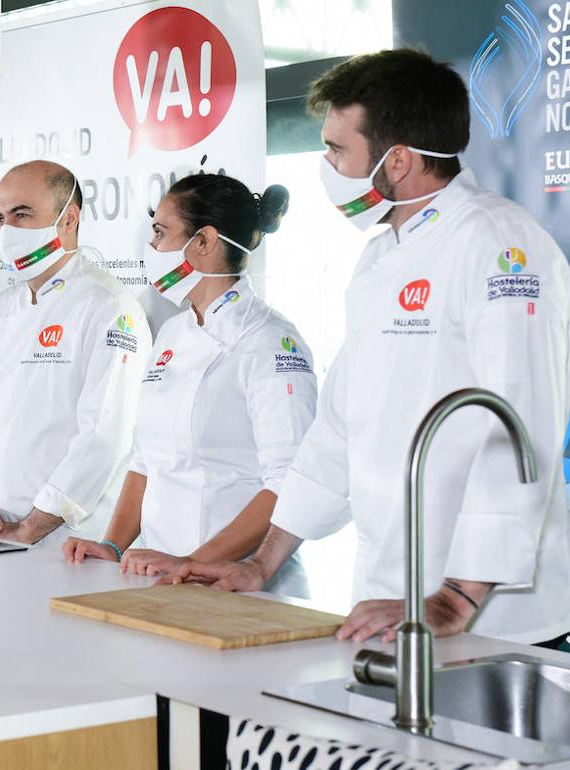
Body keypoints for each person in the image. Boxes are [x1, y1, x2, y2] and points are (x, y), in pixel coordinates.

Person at [171, 50, 570, 649]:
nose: (327, 165)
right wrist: (262, 561)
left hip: (496, 619)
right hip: (393, 600)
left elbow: (520, 427)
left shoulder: (499, 243)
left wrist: (456, 597)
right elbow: (338, 429)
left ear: (399, 160)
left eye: (336, 150)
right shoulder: (379, 259)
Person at [61, 174, 317, 597]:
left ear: (204, 241)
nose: (151, 248)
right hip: (164, 579)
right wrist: (112, 545)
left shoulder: (270, 342)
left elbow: (291, 482)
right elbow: (147, 460)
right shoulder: (174, 332)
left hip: (241, 587)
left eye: (160, 233)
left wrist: (197, 562)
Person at [0, 160, 151, 545]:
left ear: (68, 218)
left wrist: (32, 527)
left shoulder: (109, 307)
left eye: (22, 214)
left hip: (65, 537)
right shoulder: (0, 307)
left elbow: (105, 433)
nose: (7, 230)